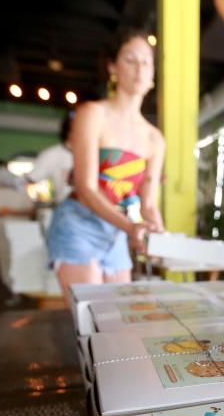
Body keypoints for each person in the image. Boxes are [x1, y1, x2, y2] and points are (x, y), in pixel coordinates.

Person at [46, 28, 165, 298]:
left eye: (147, 61)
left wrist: (160, 235)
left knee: (118, 316)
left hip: (116, 229)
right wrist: (130, 227)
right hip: (79, 222)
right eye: (130, 59)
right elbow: (86, 187)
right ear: (112, 67)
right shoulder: (92, 115)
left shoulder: (155, 138)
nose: (140, 68)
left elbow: (148, 204)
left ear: (153, 74)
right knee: (90, 314)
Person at [0, 164, 35, 290]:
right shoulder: (19, 191)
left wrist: (4, 212)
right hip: (18, 226)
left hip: (6, 226)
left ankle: (14, 286)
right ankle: (20, 286)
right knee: (18, 255)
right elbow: (31, 211)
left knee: (6, 256)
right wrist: (12, 212)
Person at [28, 113, 74, 205]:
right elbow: (31, 179)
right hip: (67, 209)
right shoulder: (52, 154)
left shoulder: (96, 152)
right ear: (68, 131)